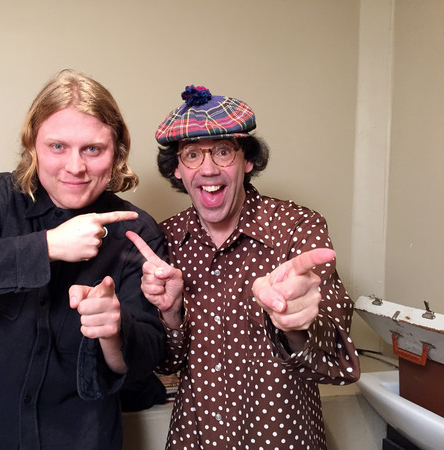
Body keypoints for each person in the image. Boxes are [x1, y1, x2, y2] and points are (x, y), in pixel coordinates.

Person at [0, 69, 167, 449]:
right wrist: (46, 246)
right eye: (57, 146)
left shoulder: (137, 231)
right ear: (33, 145)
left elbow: (144, 361)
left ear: (117, 152)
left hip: (82, 439)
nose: (75, 167)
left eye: (92, 149)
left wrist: (114, 330)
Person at [126, 85, 361, 449]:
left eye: (223, 151)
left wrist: (297, 325)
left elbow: (336, 363)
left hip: (283, 438)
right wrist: (171, 314)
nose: (208, 169)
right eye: (192, 155)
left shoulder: (297, 227)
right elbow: (166, 365)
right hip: (196, 438)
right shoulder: (166, 238)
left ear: (247, 160)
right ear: (177, 169)